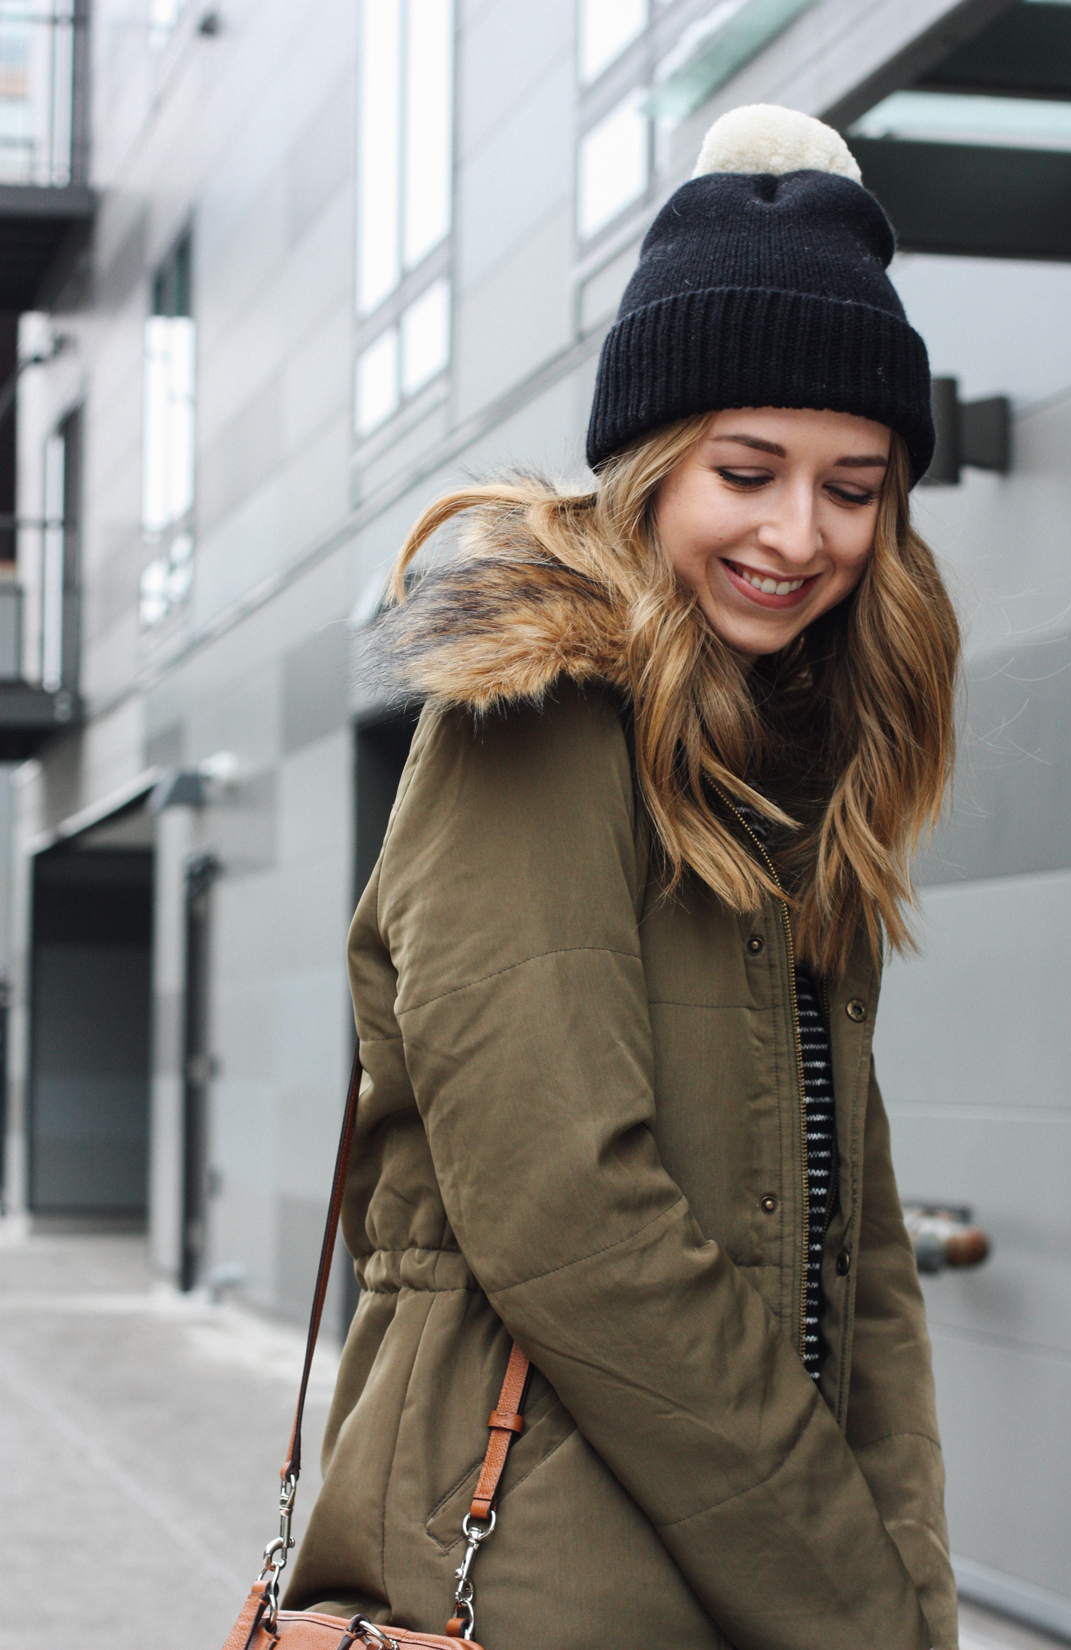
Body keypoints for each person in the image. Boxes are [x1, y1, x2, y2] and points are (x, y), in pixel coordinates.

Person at [283, 104, 961, 1649]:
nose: (800, 532)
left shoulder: (793, 776)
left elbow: (861, 1251)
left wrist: (911, 1594)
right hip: (531, 1586)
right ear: (653, 464)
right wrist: (851, 1598)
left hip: (746, 1590)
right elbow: (572, 1217)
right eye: (748, 468)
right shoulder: (537, 725)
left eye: (854, 486)